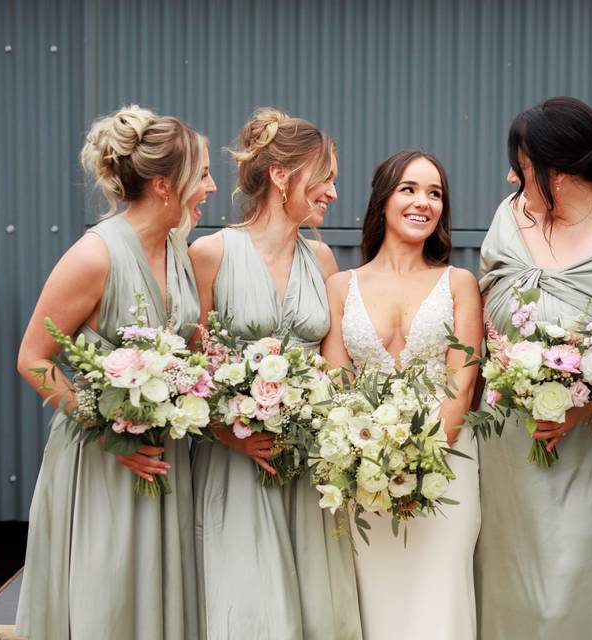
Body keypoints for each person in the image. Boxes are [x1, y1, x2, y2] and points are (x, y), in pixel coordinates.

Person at [15, 105, 213, 639]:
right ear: (165, 184)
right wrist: (110, 433)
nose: (212, 187)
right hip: (104, 461)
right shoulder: (94, 256)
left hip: (165, 457)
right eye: (204, 174)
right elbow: (33, 356)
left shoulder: (178, 249)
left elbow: (184, 334)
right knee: (110, 602)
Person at [475, 97, 592, 639]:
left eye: (525, 165)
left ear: (557, 172)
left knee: (580, 586)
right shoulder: (509, 216)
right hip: (511, 439)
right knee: (515, 584)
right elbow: (486, 315)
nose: (514, 176)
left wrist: (587, 406)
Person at [188, 107, 361, 639]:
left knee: (314, 608)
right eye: (324, 177)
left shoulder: (324, 259)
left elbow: (338, 370)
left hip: (307, 467)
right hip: (235, 462)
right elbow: (190, 368)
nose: (332, 192)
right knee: (247, 605)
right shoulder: (209, 253)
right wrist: (227, 431)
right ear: (281, 176)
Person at [320, 149, 483, 640]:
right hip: (365, 468)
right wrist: (371, 456)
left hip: (446, 468)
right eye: (409, 189)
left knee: (440, 596)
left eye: (435, 193)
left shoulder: (459, 283)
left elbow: (464, 379)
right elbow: (338, 380)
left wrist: (423, 457)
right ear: (383, 200)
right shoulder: (340, 285)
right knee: (375, 602)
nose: (423, 203)